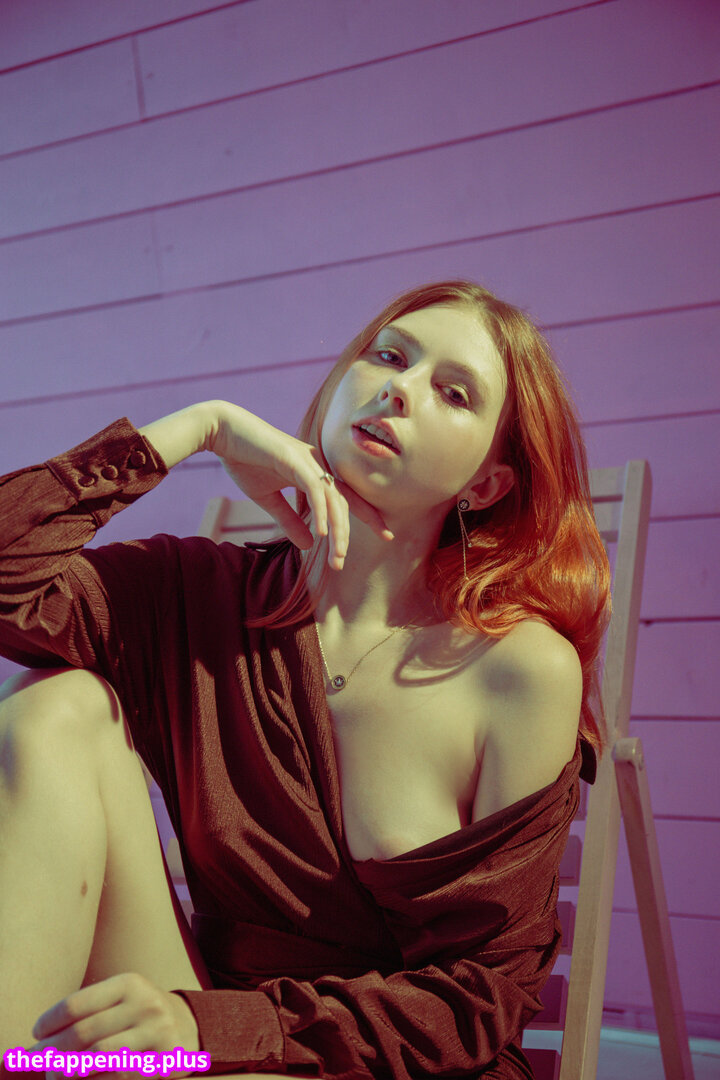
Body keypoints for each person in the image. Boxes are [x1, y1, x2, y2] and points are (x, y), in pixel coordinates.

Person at [0, 281, 609, 1079]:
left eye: (453, 393)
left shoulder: (518, 669)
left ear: (487, 484)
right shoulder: (198, 597)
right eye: (387, 356)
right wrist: (198, 428)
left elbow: (481, 998)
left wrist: (208, 1025)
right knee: (57, 705)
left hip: (384, 1062)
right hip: (214, 1035)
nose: (398, 388)